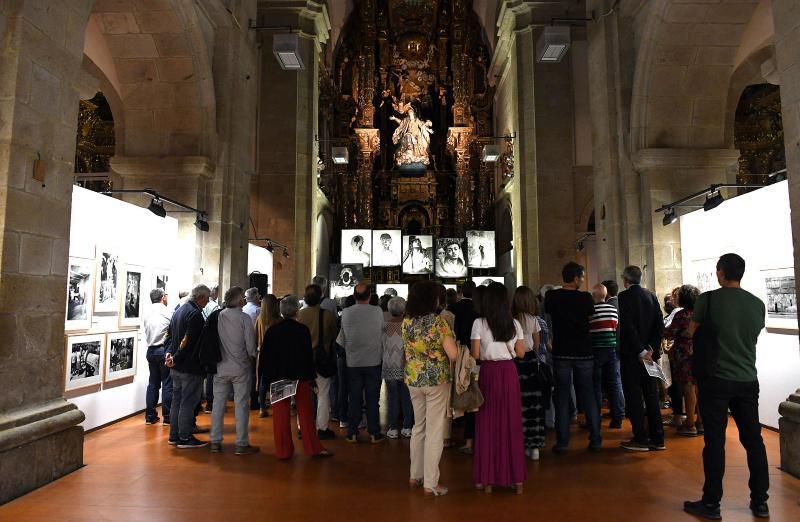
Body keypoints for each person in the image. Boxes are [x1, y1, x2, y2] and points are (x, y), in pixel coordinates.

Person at [683, 254, 769, 520]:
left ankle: (711, 503)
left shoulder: (707, 300)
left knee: (715, 441)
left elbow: (691, 333)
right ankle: (760, 501)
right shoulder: (757, 304)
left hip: (716, 379)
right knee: (754, 441)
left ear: (720, 273)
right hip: (747, 380)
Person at [259, 295, 332, 460]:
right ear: (296, 311)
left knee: (280, 414)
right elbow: (307, 356)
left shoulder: (273, 331)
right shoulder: (302, 330)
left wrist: (267, 378)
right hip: (300, 376)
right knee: (305, 414)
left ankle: (283, 451)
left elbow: (265, 357)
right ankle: (313, 448)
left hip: (280, 377)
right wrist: (311, 377)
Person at [403, 281, 458, 496]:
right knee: (435, 430)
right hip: (436, 380)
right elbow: (453, 354)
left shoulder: (407, 322)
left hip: (414, 379)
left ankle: (415, 475)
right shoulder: (439, 323)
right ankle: (431, 483)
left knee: (419, 426)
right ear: (431, 299)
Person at [471, 282, 526, 494]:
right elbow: (521, 353)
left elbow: (475, 354)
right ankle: (516, 478)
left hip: (488, 373)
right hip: (509, 373)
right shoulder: (514, 324)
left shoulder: (479, 323)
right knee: (511, 422)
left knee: (487, 423)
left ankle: (487, 478)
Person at [544, 262, 601, 453]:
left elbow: (550, 315)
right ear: (575, 278)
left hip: (561, 351)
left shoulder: (552, 296)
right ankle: (595, 439)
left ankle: (562, 442)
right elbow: (590, 318)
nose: (583, 280)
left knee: (561, 396)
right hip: (584, 351)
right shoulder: (585, 298)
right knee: (588, 394)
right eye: (582, 277)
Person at [617, 265, 666, 452]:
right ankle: (658, 438)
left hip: (632, 355)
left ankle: (641, 438)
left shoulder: (624, 297)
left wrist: (640, 351)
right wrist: (651, 349)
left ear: (625, 279)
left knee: (634, 396)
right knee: (651, 395)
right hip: (649, 355)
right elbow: (659, 324)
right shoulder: (651, 295)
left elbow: (629, 327)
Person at [209, 287, 259, 455]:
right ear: (239, 301)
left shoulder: (220, 316)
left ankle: (215, 441)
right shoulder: (244, 318)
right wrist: (252, 358)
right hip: (240, 368)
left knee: (218, 405)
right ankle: (241, 443)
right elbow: (251, 345)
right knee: (241, 406)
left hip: (221, 367)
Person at [336, 282, 385, 443]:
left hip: (353, 362)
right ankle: (374, 432)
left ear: (354, 296)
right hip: (373, 361)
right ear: (370, 296)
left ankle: (352, 432)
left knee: (354, 398)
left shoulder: (346, 313)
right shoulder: (377, 311)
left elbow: (341, 340)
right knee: (372, 399)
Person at [165, 284, 210, 449]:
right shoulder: (195, 314)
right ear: (200, 297)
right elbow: (188, 340)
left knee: (177, 401)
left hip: (176, 367)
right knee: (188, 402)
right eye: (207, 298)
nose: (208, 301)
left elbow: (169, 335)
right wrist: (175, 357)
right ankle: (184, 437)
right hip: (189, 367)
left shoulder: (179, 310)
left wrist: (169, 355)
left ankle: (174, 435)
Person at [297, 284, 339, 440]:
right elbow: (334, 334)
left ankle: (303, 427)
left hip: (303, 360)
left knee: (303, 395)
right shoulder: (327, 315)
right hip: (321, 359)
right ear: (320, 297)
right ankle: (322, 428)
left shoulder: (300, 315)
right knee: (323, 394)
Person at [511, 286, 546, 460]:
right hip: (531, 361)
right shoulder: (533, 319)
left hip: (515, 361)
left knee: (518, 402)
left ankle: (519, 441)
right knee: (534, 402)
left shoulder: (511, 319)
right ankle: (535, 447)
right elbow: (537, 343)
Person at [664, 284, 702, 437]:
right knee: (698, 386)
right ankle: (700, 421)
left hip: (684, 354)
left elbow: (669, 333)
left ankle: (690, 424)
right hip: (699, 352)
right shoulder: (700, 313)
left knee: (688, 386)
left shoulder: (682, 314)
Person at [590, 283, 625, 429]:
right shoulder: (613, 310)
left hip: (596, 351)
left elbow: (589, 331)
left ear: (594, 296)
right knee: (615, 384)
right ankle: (617, 418)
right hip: (611, 350)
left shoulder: (591, 311)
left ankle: (595, 418)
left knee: (596, 386)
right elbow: (617, 330)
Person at [451, 281, 478, 454]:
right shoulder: (479, 309)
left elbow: (455, 333)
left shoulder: (456, 308)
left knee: (466, 394)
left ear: (461, 292)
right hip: (478, 355)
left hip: (462, 354)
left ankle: (467, 437)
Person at [383, 297, 414, 439]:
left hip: (389, 366)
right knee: (407, 397)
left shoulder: (384, 326)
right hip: (407, 365)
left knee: (392, 397)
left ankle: (393, 428)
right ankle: (407, 427)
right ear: (404, 309)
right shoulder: (409, 325)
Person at [143, 288, 173, 425]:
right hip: (163, 350)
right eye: (166, 295)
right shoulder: (167, 311)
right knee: (167, 384)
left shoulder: (147, 311)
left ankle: (150, 416)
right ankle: (167, 417)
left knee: (153, 384)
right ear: (162, 298)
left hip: (151, 350)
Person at [255, 294, 282, 417]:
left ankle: (261, 408)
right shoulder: (279, 320)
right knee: (276, 380)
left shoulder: (259, 319)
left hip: (262, 354)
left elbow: (254, 335)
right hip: (276, 354)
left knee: (263, 380)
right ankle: (277, 406)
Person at [201, 284, 220, 413]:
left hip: (205, 342)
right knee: (213, 375)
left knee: (208, 375)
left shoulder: (204, 306)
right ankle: (212, 402)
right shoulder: (215, 307)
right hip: (213, 342)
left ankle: (208, 402)